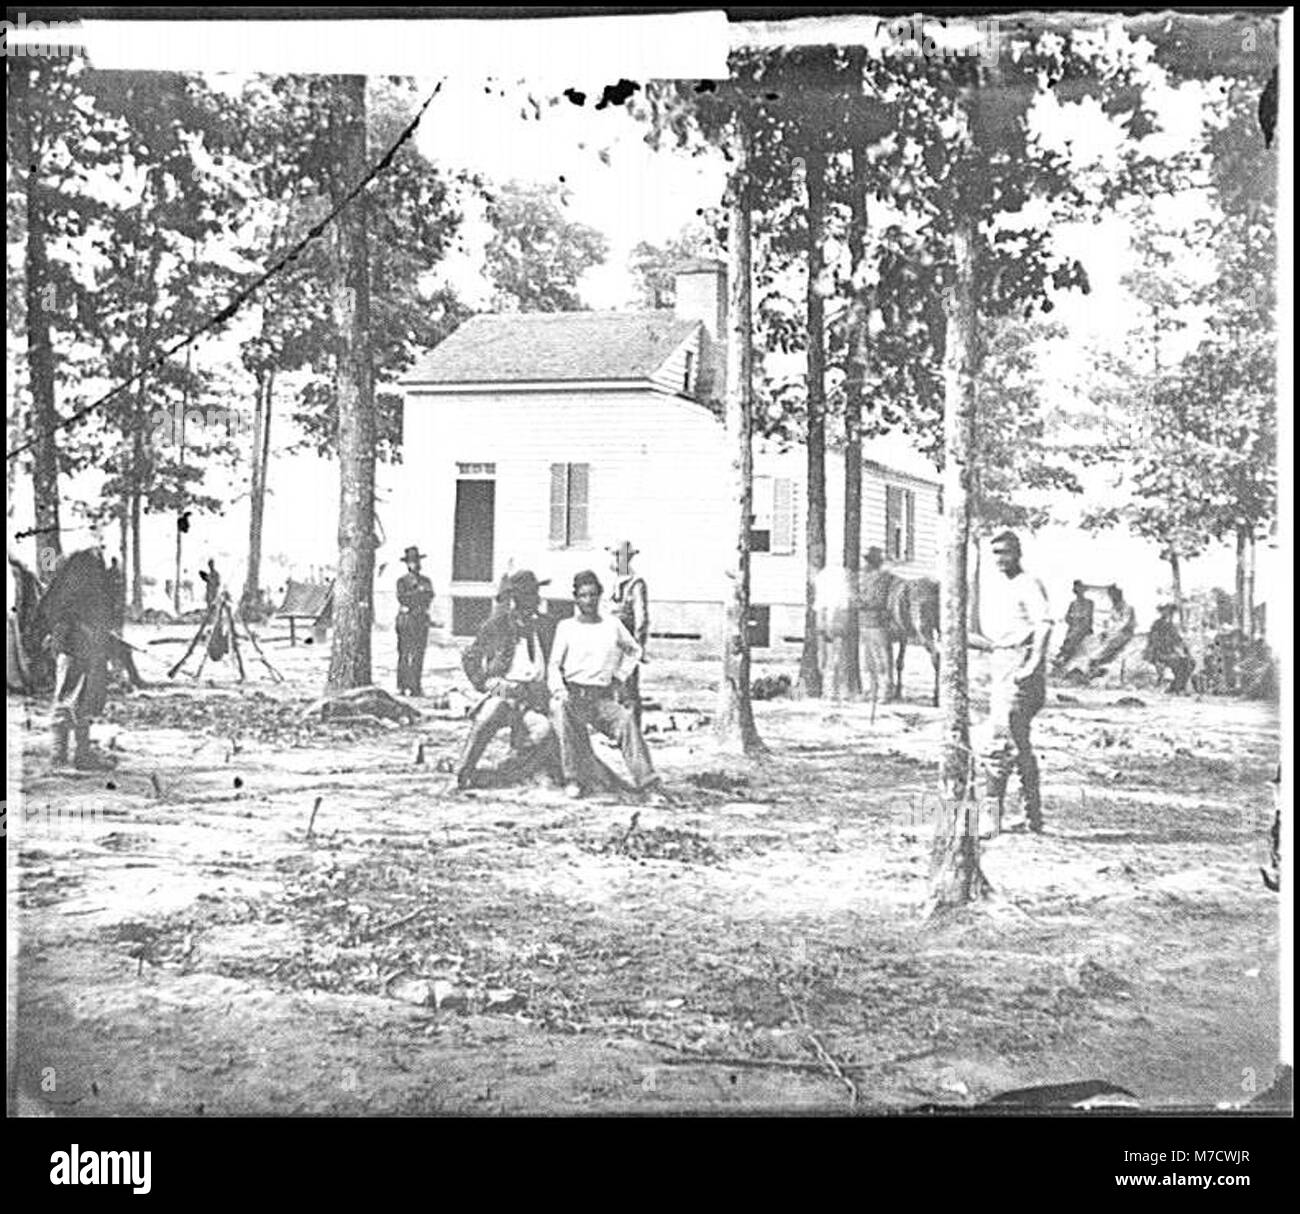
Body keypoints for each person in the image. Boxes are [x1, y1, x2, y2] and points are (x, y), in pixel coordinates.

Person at [968, 531, 1052, 835]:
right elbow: (997, 641)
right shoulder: (1000, 588)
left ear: (1018, 553)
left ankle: (992, 817)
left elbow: (1044, 625)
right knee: (1019, 743)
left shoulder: (1028, 583)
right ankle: (1033, 816)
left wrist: (1032, 664)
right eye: (996, 553)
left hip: (1020, 669)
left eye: (1005, 552)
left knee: (1000, 741)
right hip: (1002, 664)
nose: (1000, 559)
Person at [549, 570, 658, 797]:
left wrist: (619, 676)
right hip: (573, 695)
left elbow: (634, 650)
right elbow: (554, 665)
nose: (588, 600)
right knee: (561, 712)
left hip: (601, 697)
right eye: (583, 595)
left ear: (599, 596)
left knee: (626, 721)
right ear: (576, 598)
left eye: (592, 595)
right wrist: (559, 690)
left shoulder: (612, 624)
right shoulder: (566, 627)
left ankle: (647, 781)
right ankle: (573, 779)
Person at [456, 570, 559, 789]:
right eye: (527, 595)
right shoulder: (497, 624)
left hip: (532, 695)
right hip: (504, 690)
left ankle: (509, 771)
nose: (534, 599)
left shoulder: (548, 625)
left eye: (535, 593)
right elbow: (470, 657)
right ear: (515, 598)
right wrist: (484, 682)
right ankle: (462, 772)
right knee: (489, 714)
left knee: (544, 730)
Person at [41, 549, 115, 771]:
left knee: (83, 701)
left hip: (84, 649)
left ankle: (82, 755)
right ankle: (58, 756)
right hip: (73, 650)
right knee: (66, 699)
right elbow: (63, 621)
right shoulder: (68, 599)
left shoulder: (80, 591)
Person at [607, 540, 649, 724]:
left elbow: (641, 619)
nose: (615, 560)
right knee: (613, 687)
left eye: (619, 556)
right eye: (614, 556)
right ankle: (619, 731)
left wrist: (637, 647)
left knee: (628, 687)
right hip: (611, 643)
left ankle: (633, 730)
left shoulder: (636, 583)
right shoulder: (614, 582)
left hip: (627, 641)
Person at [858, 547, 897, 704]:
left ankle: (885, 691)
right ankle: (871, 690)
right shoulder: (866, 578)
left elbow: (879, 601)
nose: (865, 564)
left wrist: (861, 602)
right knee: (868, 660)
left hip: (878, 622)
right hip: (865, 623)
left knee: (882, 658)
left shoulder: (883, 578)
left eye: (868, 561)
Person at [395, 545, 434, 697]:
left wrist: (418, 596)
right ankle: (403, 685)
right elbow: (402, 598)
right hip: (406, 620)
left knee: (419, 653)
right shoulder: (402, 581)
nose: (415, 564)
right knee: (404, 653)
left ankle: (416, 685)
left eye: (416, 561)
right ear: (407, 564)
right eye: (411, 562)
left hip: (421, 620)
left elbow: (429, 597)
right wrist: (419, 594)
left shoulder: (426, 581)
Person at [1087, 584, 1136, 680]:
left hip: (1124, 633)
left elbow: (1123, 623)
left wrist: (1110, 632)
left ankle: (1097, 667)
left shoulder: (1127, 607)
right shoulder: (1113, 608)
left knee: (1102, 652)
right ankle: (1095, 671)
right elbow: (1111, 622)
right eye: (1111, 596)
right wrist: (1105, 631)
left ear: (1119, 595)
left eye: (1114, 595)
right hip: (1115, 633)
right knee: (1096, 649)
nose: (1112, 598)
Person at [1144, 603, 1194, 693]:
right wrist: (1166, 652)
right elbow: (1154, 642)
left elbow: (1178, 640)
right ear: (1162, 612)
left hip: (1171, 653)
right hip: (1159, 654)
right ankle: (1176, 688)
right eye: (1166, 610)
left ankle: (1177, 686)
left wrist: (1186, 650)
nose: (1168, 613)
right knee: (1176, 663)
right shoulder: (1157, 625)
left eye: (1170, 611)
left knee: (1190, 662)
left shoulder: (1172, 626)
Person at [1054, 580, 1094, 670]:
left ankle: (1063, 657)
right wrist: (1072, 620)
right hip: (1074, 627)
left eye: (1080, 589)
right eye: (1077, 590)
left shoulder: (1089, 603)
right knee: (1071, 636)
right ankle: (1062, 658)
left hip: (1084, 627)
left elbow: (1088, 617)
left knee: (1073, 636)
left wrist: (1077, 618)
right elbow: (1067, 617)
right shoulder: (1073, 604)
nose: (1078, 592)